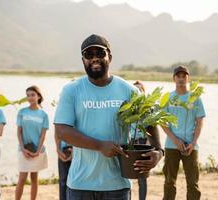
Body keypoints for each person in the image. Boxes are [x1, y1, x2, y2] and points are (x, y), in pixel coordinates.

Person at [54, 34, 163, 200]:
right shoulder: (72, 90)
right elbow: (62, 131)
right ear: (83, 60)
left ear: (109, 57)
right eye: (89, 55)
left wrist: (159, 152)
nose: (95, 59)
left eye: (100, 53)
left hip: (118, 185)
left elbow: (149, 121)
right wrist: (99, 145)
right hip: (80, 184)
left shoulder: (129, 90)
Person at [162, 66, 206, 200]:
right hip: (171, 145)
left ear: (188, 78)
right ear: (174, 78)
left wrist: (193, 142)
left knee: (193, 183)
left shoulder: (195, 98)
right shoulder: (168, 98)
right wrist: (175, 140)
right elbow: (162, 122)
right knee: (169, 182)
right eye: (178, 76)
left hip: (191, 147)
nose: (181, 79)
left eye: (184, 76)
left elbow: (199, 122)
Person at [15, 86, 49, 200]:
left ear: (38, 96)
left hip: (37, 150)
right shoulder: (22, 112)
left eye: (33, 95)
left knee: (34, 178)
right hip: (23, 149)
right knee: (22, 177)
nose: (30, 97)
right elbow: (19, 133)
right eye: (28, 95)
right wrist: (23, 148)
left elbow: (43, 135)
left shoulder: (44, 115)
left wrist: (38, 151)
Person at [132, 80, 147, 200]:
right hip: (130, 142)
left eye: (139, 89)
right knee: (127, 175)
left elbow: (151, 129)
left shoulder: (146, 110)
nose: (137, 92)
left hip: (142, 142)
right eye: (135, 89)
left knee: (142, 176)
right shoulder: (126, 109)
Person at [55, 133, 72, 200]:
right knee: (63, 182)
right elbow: (57, 132)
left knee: (76, 182)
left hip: (77, 152)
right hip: (62, 151)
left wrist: (75, 151)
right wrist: (58, 149)